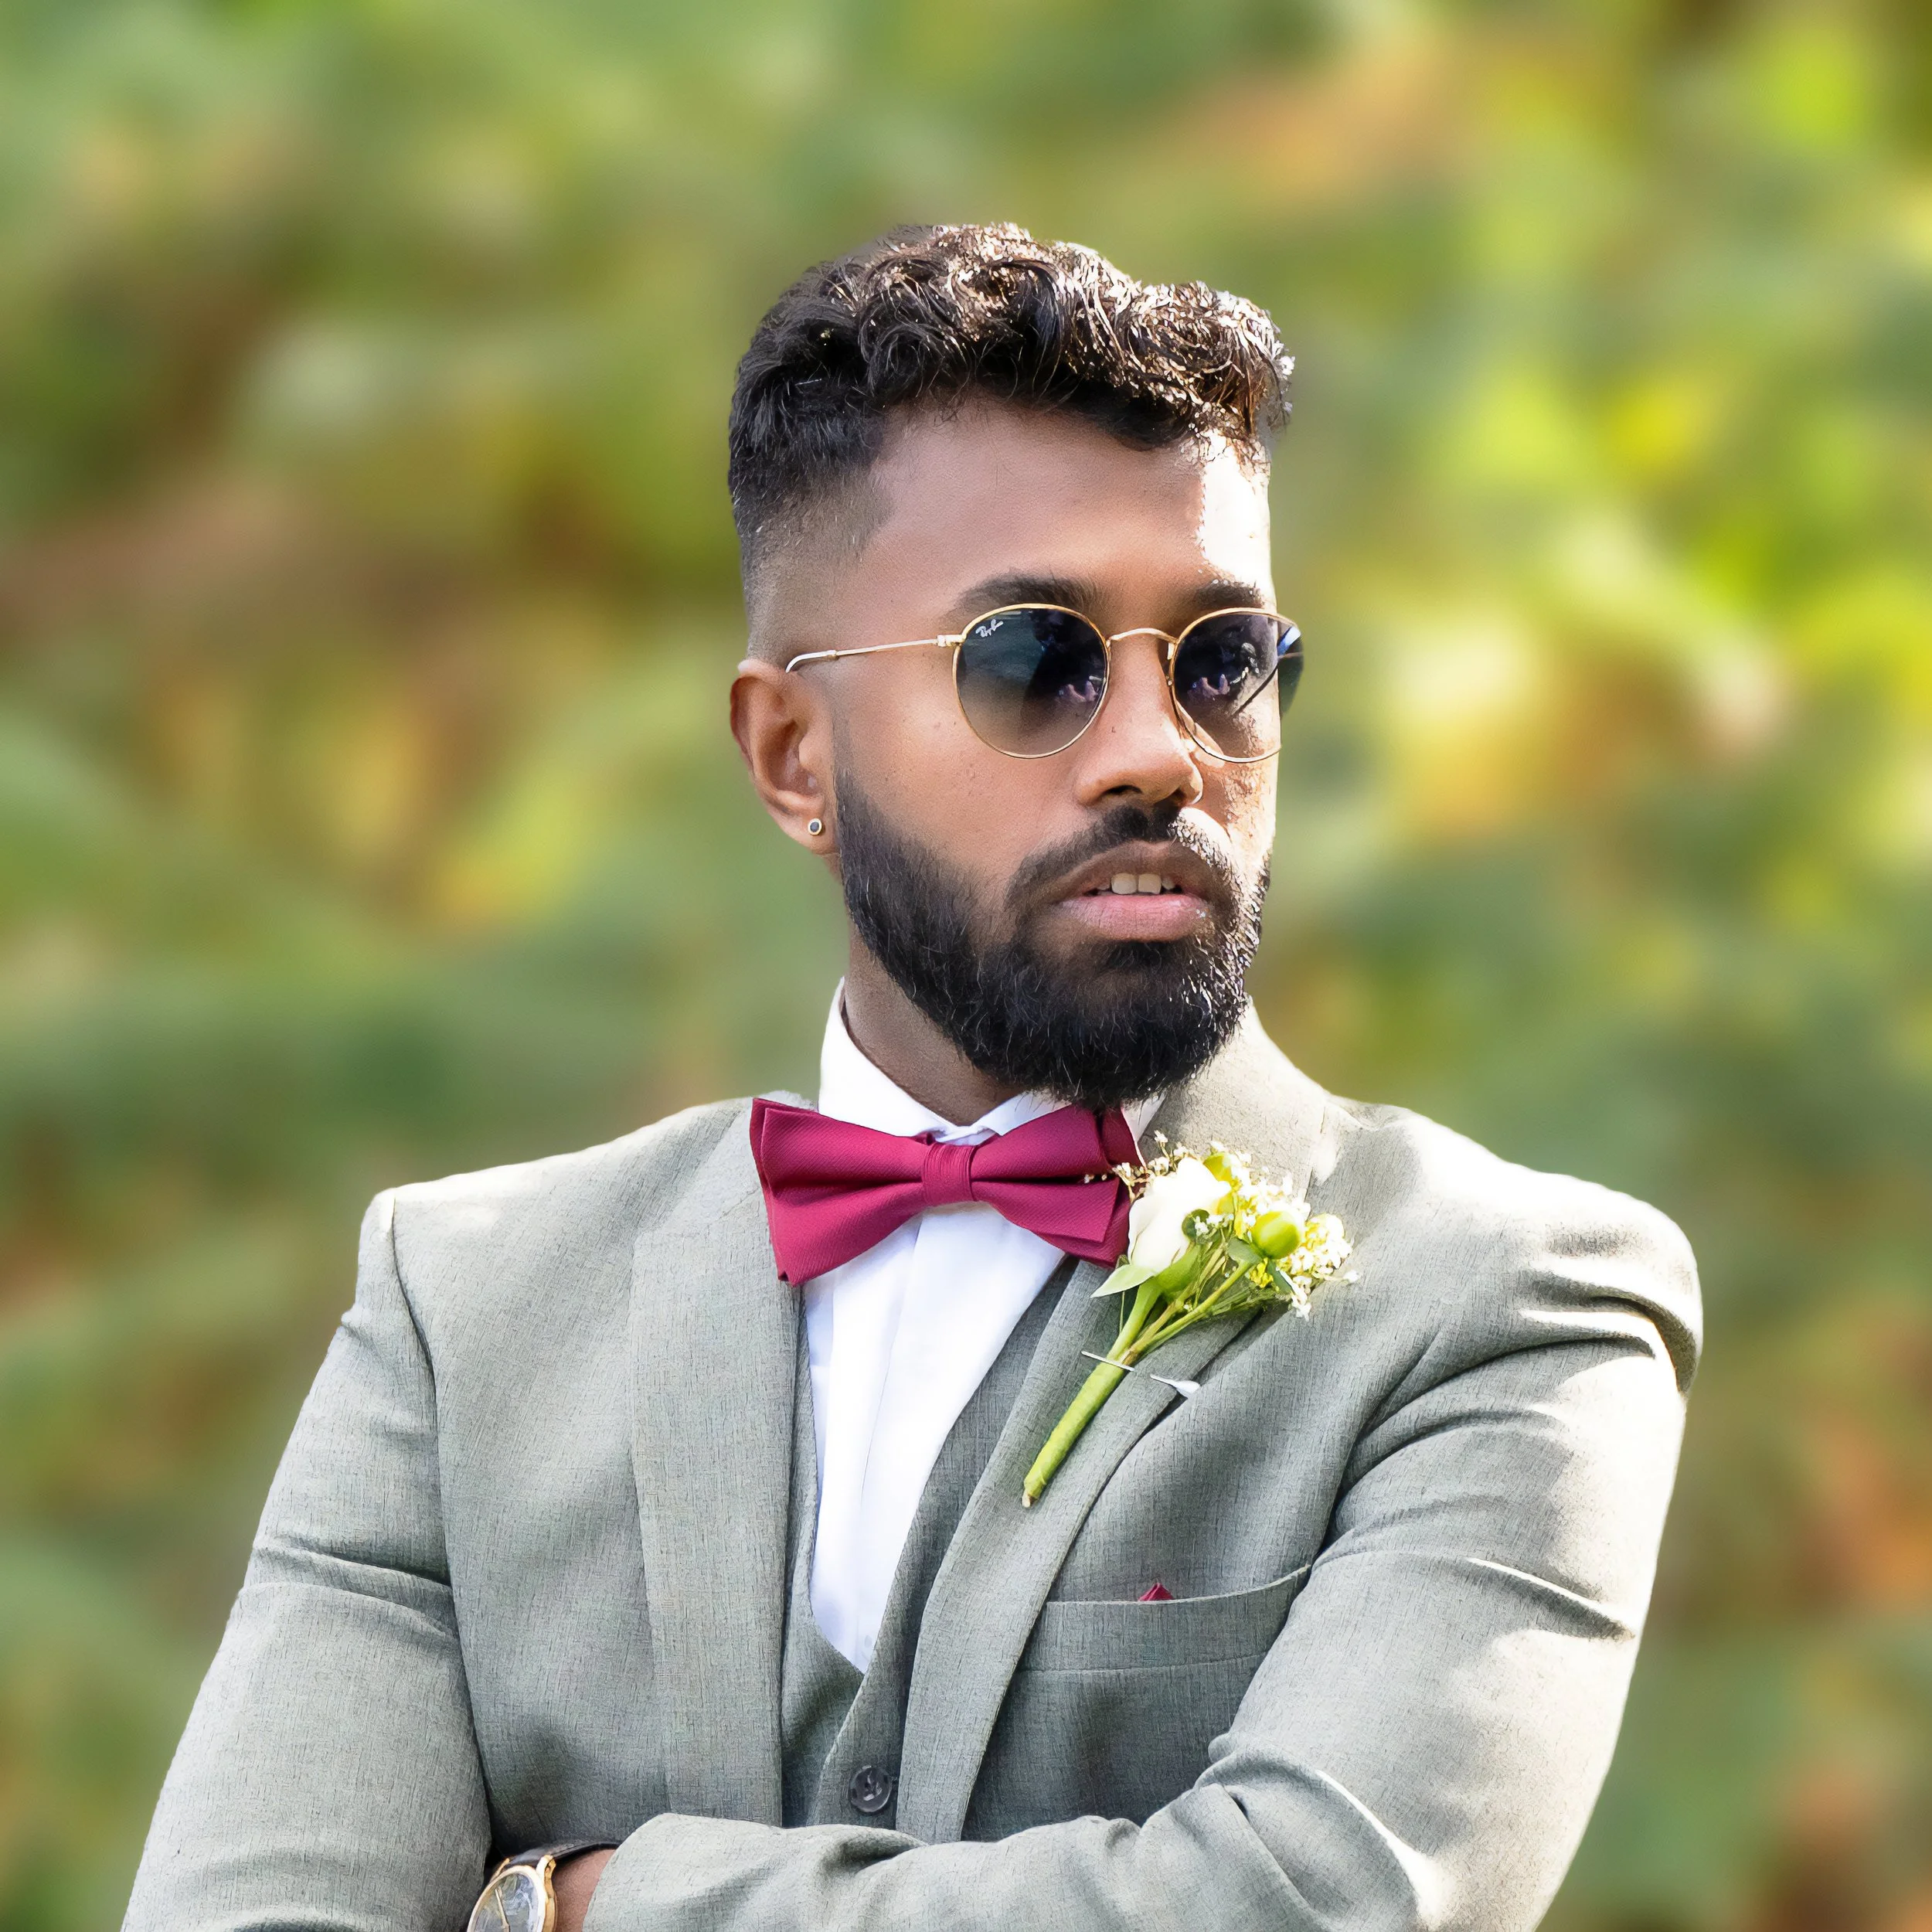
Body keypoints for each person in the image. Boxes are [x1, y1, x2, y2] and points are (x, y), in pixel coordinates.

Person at [124, 223, 1699, 1932]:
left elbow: (1296, 1905)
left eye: (1223, 658)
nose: (1161, 749)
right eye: (1034, 659)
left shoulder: (1502, 1299)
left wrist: (568, 1907)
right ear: (793, 754)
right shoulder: (465, 1307)